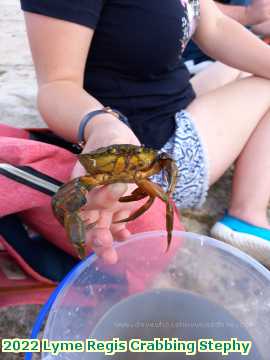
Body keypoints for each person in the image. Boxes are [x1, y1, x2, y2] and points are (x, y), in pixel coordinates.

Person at [20, 0, 270, 267]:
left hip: (173, 104)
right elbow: (57, 85)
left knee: (243, 66)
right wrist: (104, 127)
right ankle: (247, 214)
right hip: (150, 152)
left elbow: (216, 26)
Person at [184, 0, 270, 95]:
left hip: (230, 55)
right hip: (197, 60)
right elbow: (214, 25)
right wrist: (247, 13)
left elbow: (259, 23)